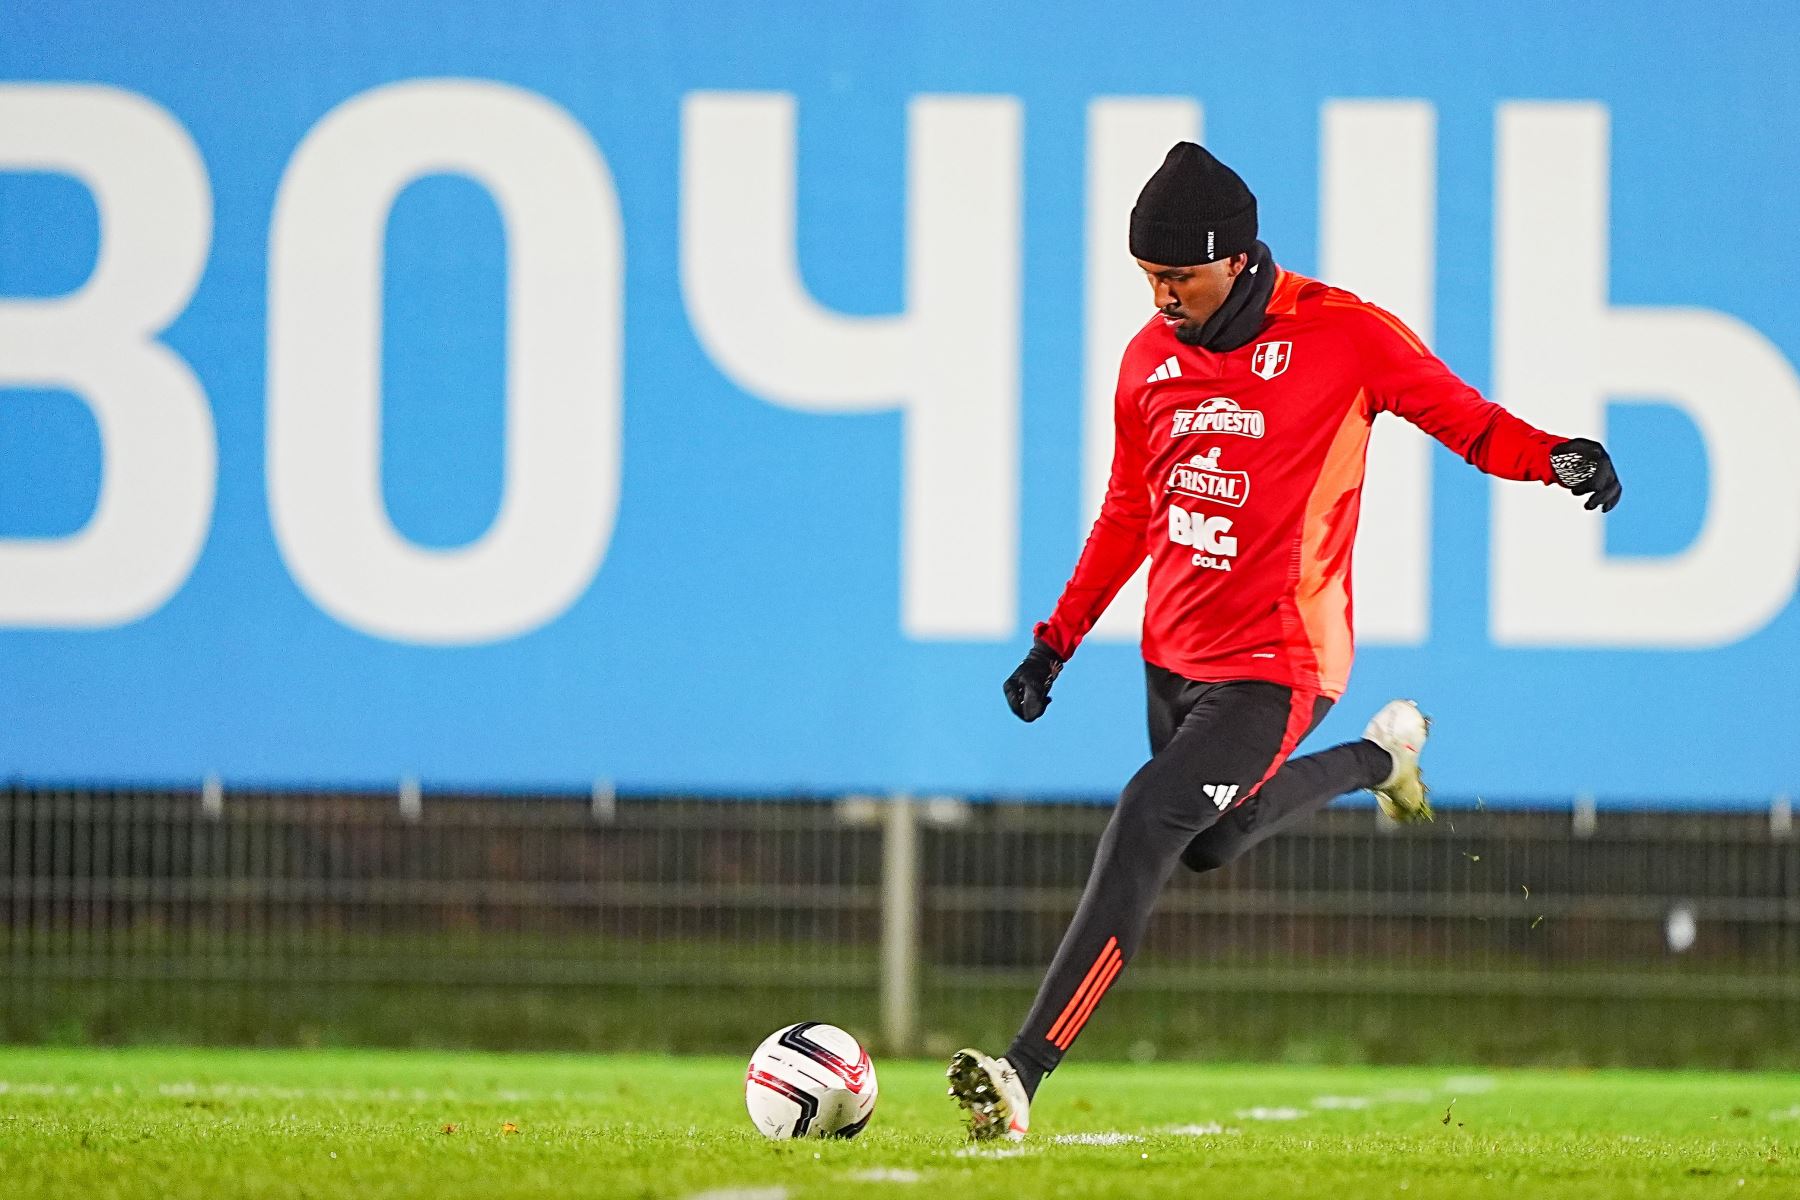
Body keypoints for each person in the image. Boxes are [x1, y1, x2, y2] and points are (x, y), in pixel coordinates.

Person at [946, 142, 1621, 1141]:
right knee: (1208, 843)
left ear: (1236, 258)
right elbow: (1128, 513)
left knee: (1146, 819)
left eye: (1178, 277)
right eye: (1148, 279)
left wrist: (1555, 457)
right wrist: (1056, 644)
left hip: (1280, 661)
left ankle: (1023, 1072)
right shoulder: (1147, 360)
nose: (1162, 298)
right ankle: (1379, 759)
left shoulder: (1345, 336)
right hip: (1172, 655)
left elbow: (1468, 422)